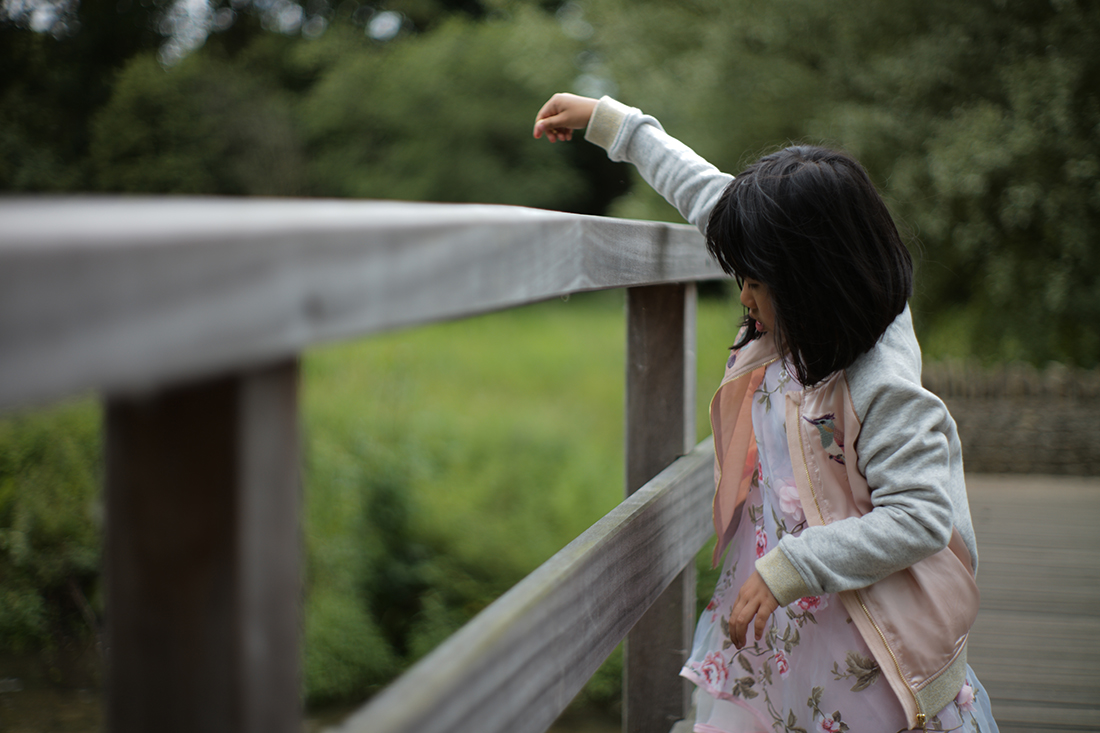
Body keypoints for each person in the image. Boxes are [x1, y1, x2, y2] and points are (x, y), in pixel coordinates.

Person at [533, 93, 999, 733]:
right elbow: (703, 191)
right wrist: (611, 123)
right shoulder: (807, 309)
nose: (744, 297)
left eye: (756, 282)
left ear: (813, 280)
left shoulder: (881, 383)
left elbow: (919, 516)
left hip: (866, 633)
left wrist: (792, 566)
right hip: (786, 611)